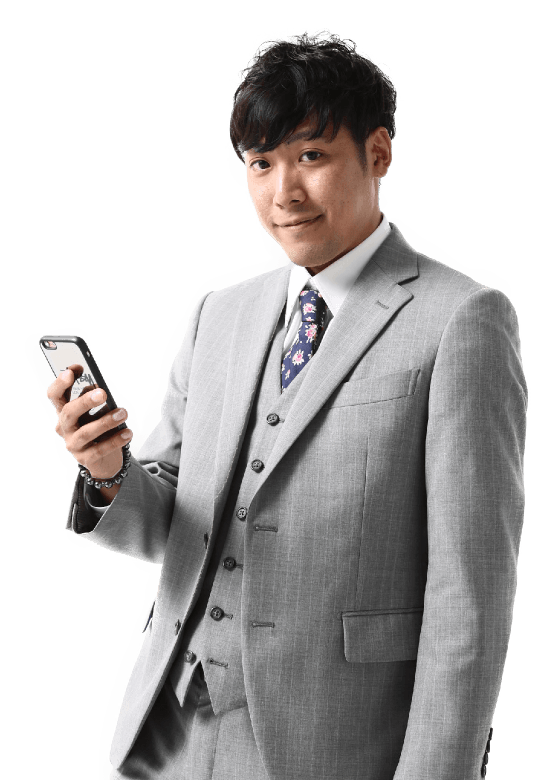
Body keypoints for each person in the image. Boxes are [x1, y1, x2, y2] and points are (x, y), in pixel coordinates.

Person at [46, 31, 527, 780]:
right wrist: (108, 470)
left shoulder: (462, 318)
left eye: (311, 156)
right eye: (261, 163)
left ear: (378, 153)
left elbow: (468, 598)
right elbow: (171, 526)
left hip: (333, 744)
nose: (283, 194)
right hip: (164, 736)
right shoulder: (218, 309)